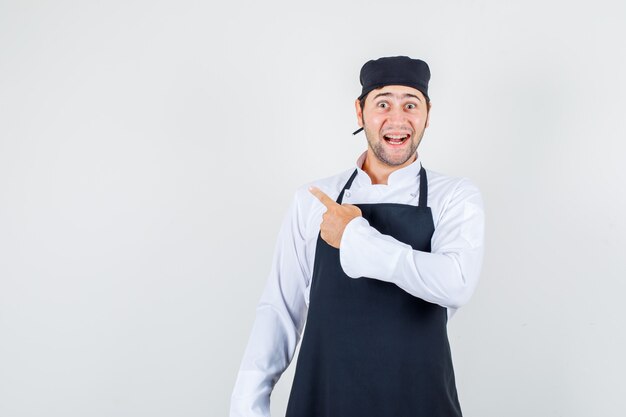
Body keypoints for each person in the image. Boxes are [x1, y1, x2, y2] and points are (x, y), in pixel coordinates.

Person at [230, 56, 485, 417]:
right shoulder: (313, 199)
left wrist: (353, 236)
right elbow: (279, 311)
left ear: (427, 113)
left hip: (419, 401)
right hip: (326, 399)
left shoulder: (456, 196)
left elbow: (455, 283)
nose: (397, 120)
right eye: (383, 103)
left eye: (410, 104)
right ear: (360, 111)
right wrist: (246, 407)